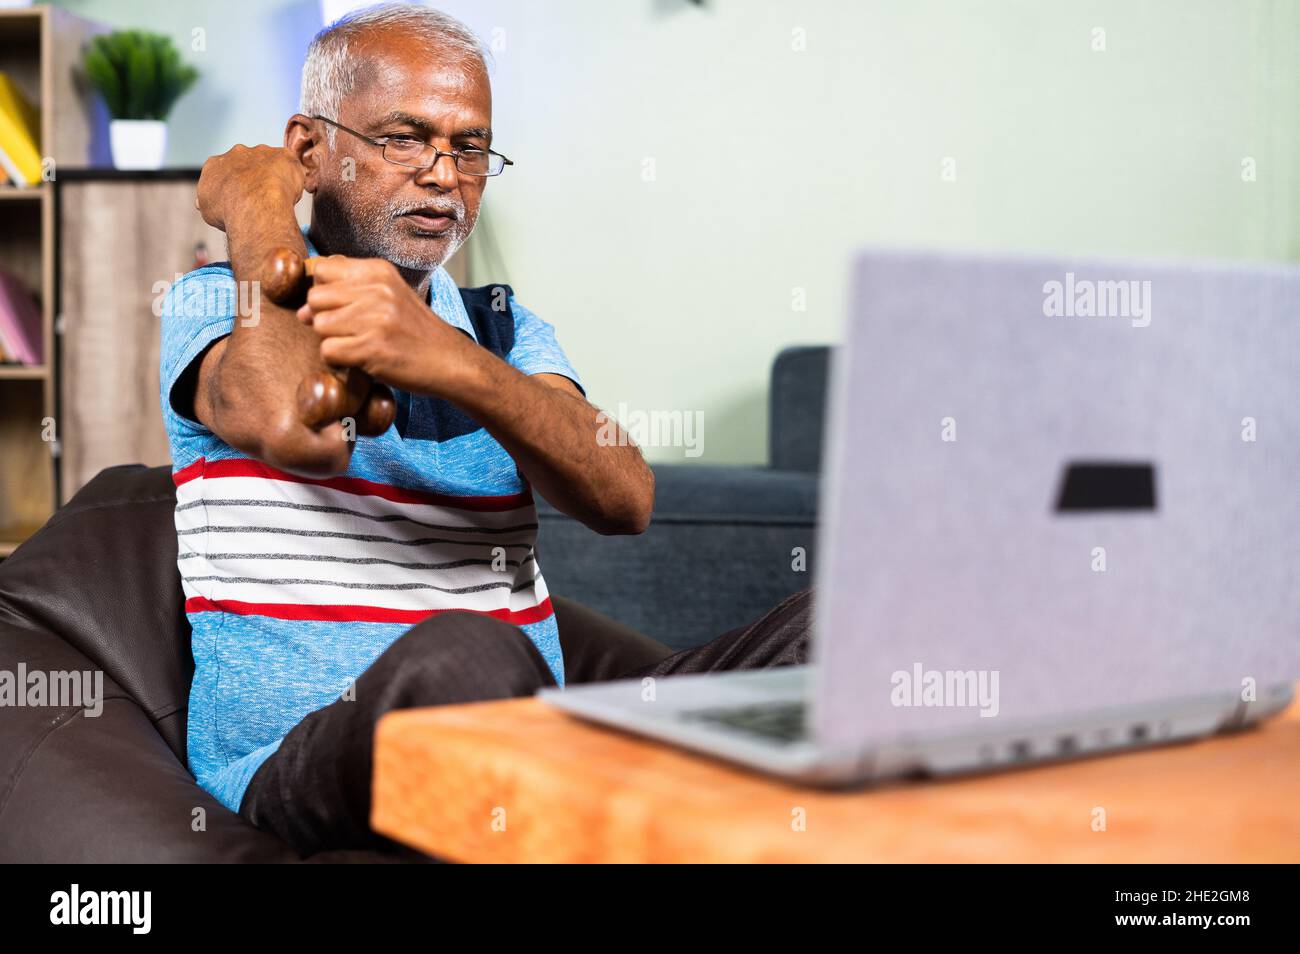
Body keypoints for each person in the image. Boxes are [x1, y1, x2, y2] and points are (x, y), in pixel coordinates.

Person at [161, 2, 812, 860]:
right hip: (305, 758)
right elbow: (295, 423)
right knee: (466, 658)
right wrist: (255, 206)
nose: (444, 174)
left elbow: (625, 499)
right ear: (310, 149)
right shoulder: (216, 303)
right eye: (405, 138)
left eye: (471, 148)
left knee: (849, 621)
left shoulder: (502, 329)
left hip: (530, 730)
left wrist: (444, 354)